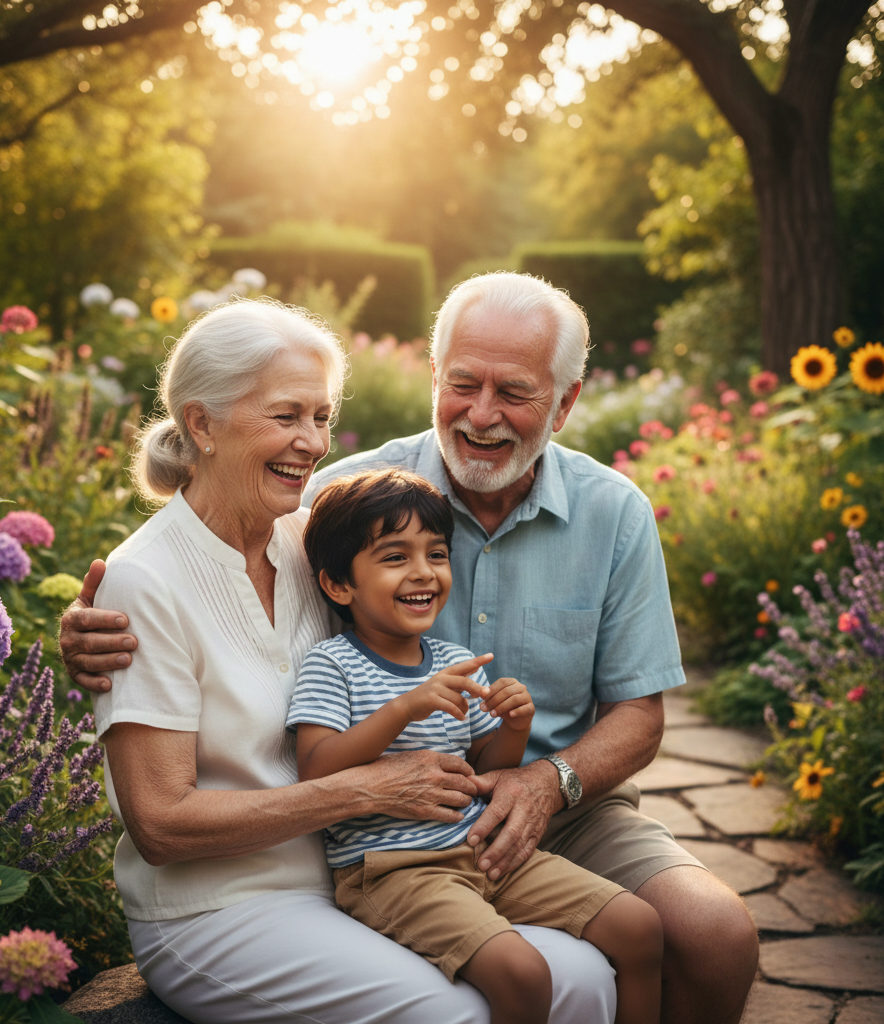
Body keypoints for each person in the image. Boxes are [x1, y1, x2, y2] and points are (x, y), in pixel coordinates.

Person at [62, 273, 759, 1024]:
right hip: (366, 847)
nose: (482, 414)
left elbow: (639, 715)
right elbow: (193, 554)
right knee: (486, 1000)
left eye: (514, 392)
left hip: (547, 805)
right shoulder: (340, 511)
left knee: (672, 949)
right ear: (434, 377)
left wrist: (544, 779)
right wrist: (90, 636)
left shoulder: (605, 511)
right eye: (463, 383)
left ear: (566, 402)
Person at [288, 467, 663, 1024]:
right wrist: (406, 707)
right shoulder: (332, 665)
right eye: (395, 558)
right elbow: (316, 769)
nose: (424, 573)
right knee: (524, 974)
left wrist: (512, 724)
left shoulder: (453, 661)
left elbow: (487, 772)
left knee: (641, 928)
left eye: (436, 554)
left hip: (482, 850)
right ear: (339, 585)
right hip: (394, 871)